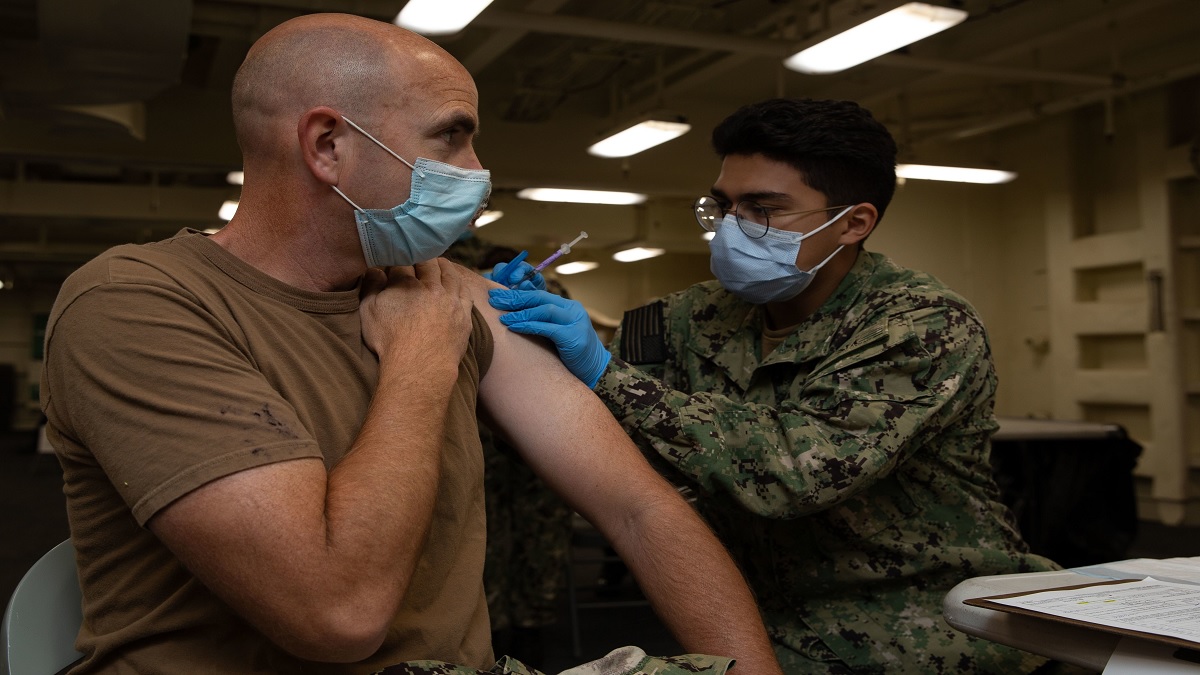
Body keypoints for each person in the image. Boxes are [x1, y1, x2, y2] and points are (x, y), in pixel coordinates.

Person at [38, 14, 785, 675]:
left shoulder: (440, 289)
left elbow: (636, 508)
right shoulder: (139, 301)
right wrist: (419, 363)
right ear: (328, 145)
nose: (477, 174)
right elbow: (336, 613)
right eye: (452, 138)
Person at [489, 98, 1066, 673]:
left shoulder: (921, 324)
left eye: (763, 209)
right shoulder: (681, 319)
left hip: (926, 620)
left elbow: (796, 474)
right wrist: (520, 342)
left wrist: (607, 376)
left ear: (853, 222)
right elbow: (606, 444)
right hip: (754, 612)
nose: (734, 227)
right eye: (724, 206)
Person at [444, 240, 575, 667]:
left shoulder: (539, 288)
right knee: (482, 544)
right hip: (479, 448)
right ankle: (497, 634)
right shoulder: (444, 288)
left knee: (539, 547)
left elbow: (562, 348)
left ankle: (531, 632)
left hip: (533, 448)